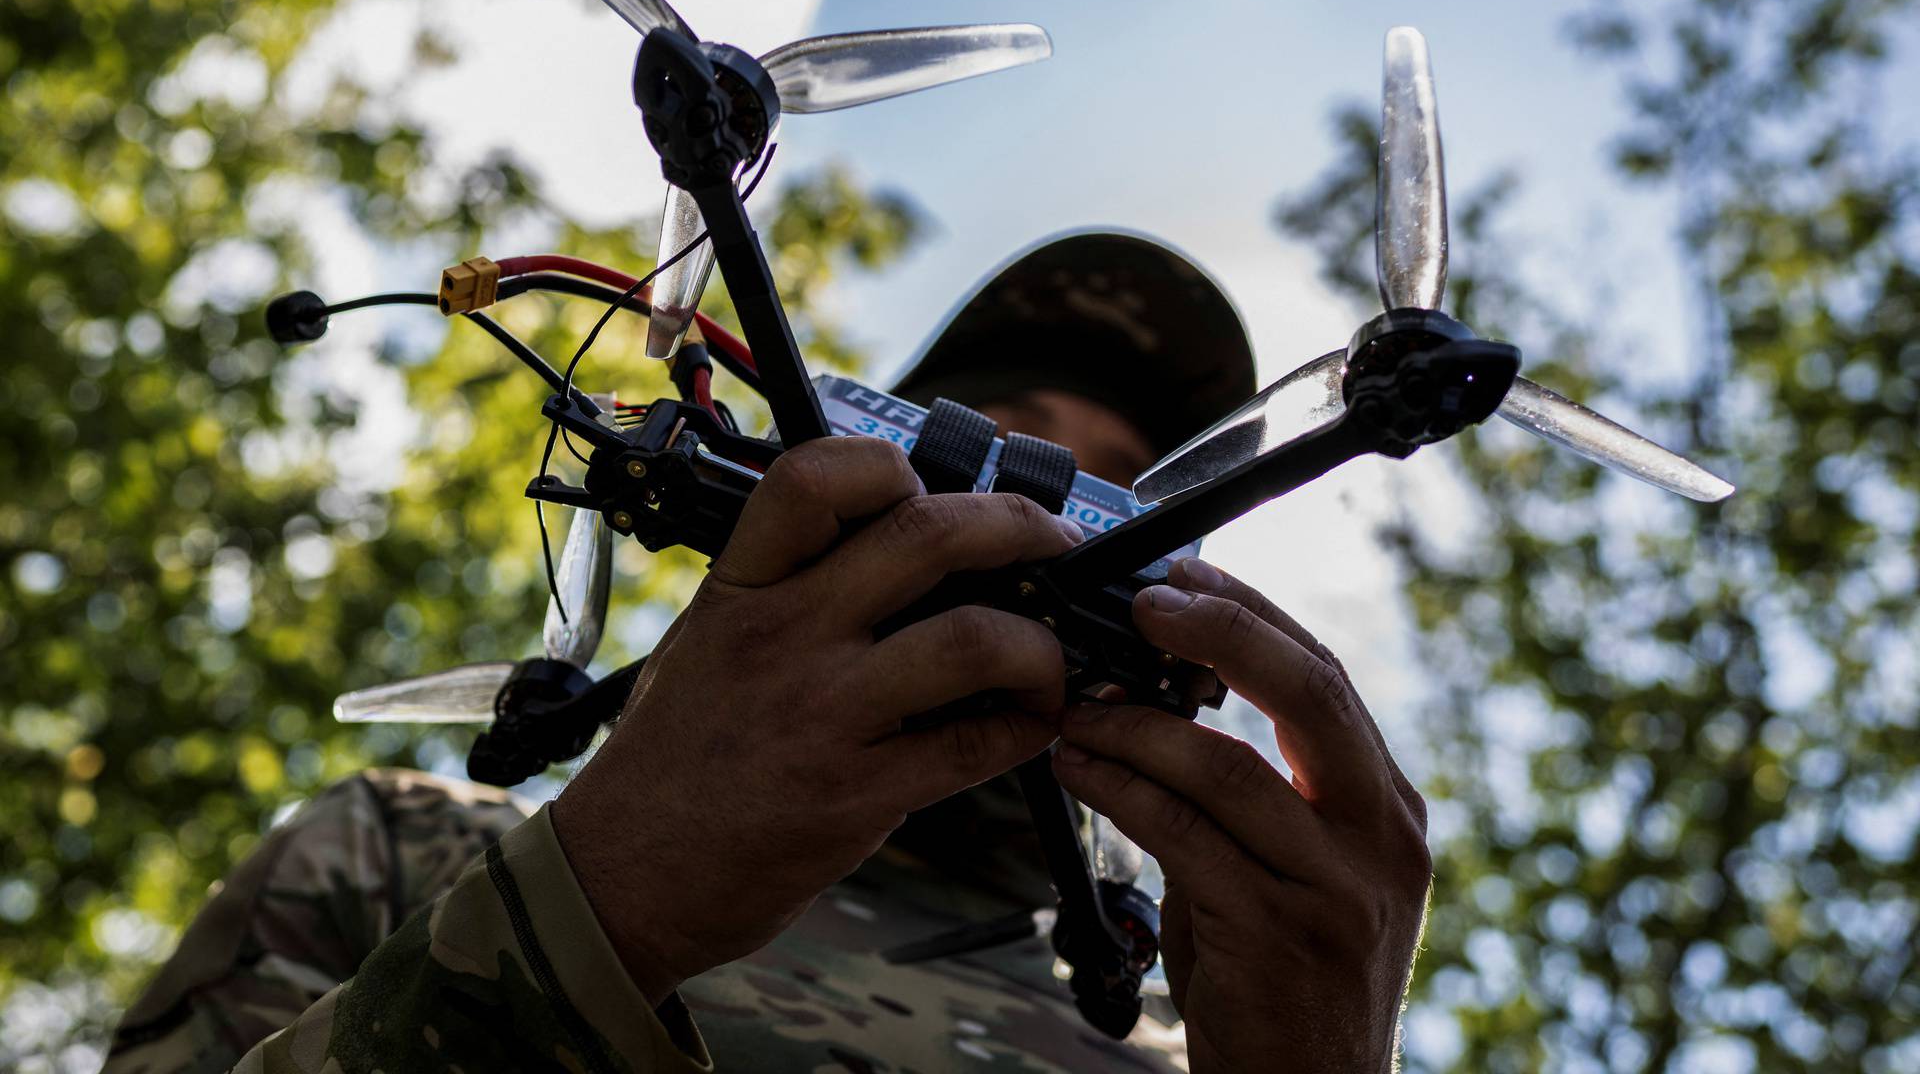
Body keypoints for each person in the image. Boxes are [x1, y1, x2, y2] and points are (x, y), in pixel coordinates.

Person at [105, 232, 1433, 1073]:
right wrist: (599, 899)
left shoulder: (1198, 1044)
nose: (1049, 514)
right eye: (1001, 443)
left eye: (1123, 493)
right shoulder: (401, 854)